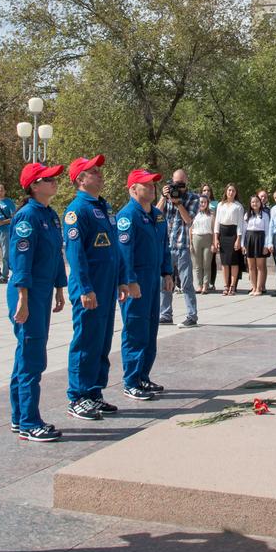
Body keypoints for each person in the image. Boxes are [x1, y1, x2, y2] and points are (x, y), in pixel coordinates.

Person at [7, 162, 68, 441]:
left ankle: (20, 417)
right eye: (49, 178)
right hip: (27, 293)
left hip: (42, 291)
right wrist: (23, 298)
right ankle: (30, 422)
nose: (55, 181)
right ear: (34, 185)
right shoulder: (27, 216)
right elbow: (21, 259)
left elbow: (55, 255)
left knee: (28, 354)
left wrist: (59, 287)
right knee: (32, 356)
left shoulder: (50, 215)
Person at [62, 155, 125, 422]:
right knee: (86, 341)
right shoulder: (78, 210)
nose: (100, 175)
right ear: (80, 179)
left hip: (106, 286)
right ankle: (77, 397)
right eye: (93, 172)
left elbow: (114, 250)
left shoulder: (103, 207)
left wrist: (122, 279)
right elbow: (75, 256)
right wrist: (85, 288)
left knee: (101, 341)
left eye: (99, 171)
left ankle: (94, 391)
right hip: (89, 289)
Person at [115, 167, 174, 401]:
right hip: (136, 281)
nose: (152, 188)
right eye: (146, 184)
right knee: (135, 330)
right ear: (133, 189)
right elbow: (124, 252)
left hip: (152, 280)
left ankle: (143, 376)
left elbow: (164, 246)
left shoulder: (157, 215)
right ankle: (131, 380)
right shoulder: (127, 216)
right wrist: (129, 281)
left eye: (153, 184)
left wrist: (167, 272)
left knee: (150, 330)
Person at [158, 169, 199, 328]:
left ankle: (192, 316)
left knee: (186, 283)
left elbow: (188, 220)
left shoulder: (194, 198)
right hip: (167, 246)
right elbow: (155, 213)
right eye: (175, 184)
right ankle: (165, 314)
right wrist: (163, 197)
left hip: (182, 247)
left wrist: (178, 203)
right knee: (164, 283)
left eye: (181, 184)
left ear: (186, 183)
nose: (178, 188)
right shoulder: (167, 197)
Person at [214, 184, 245, 295]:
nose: (231, 192)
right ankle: (226, 285)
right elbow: (217, 222)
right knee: (225, 262)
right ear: (226, 191)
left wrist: (238, 239)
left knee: (233, 262)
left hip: (233, 233)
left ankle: (232, 286)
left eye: (233, 190)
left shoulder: (238, 206)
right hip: (223, 233)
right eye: (229, 190)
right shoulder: (220, 205)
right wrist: (216, 238)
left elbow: (240, 224)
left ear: (236, 193)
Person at [241, 194, 269, 295]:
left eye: (257, 201)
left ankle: (259, 288)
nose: (255, 203)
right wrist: (242, 245)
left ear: (260, 202)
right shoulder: (247, 215)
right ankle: (253, 287)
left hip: (260, 240)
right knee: (251, 266)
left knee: (260, 266)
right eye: (253, 202)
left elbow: (267, 231)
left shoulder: (265, 215)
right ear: (250, 203)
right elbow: (243, 231)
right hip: (249, 240)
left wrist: (266, 245)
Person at [190, 195, 216, 294]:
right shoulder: (193, 213)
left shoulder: (211, 214)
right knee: (197, 265)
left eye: (205, 202)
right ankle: (199, 285)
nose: (203, 204)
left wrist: (214, 243)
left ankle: (206, 285)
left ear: (207, 203)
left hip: (208, 238)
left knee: (207, 264)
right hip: (196, 238)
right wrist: (190, 243)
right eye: (201, 202)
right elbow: (190, 228)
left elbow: (214, 230)